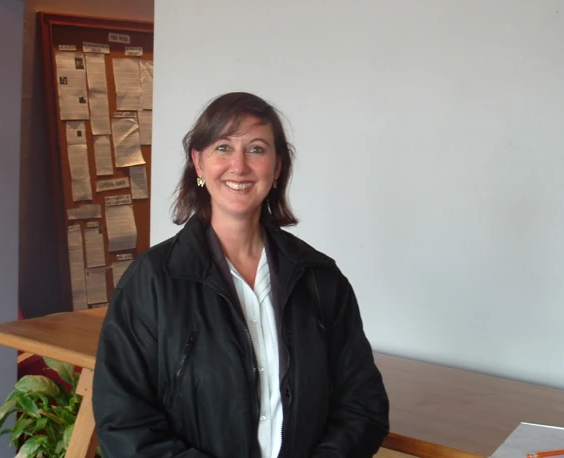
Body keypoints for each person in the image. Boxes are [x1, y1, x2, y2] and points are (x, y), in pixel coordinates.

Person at [93, 92, 389, 457]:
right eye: (223, 148)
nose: (239, 166)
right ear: (198, 163)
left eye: (257, 149)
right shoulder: (152, 281)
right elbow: (123, 422)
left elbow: (363, 405)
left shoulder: (320, 279)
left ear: (277, 167)